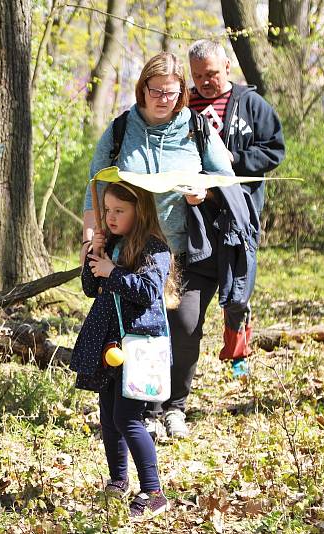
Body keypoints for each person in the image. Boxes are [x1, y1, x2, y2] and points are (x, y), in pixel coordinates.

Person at [81, 52, 237, 440]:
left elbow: (226, 175)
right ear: (143, 90)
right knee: (142, 329)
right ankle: (146, 407)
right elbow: (95, 185)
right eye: (157, 91)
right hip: (136, 249)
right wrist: (91, 239)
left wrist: (203, 189)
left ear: (181, 92)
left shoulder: (196, 127)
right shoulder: (121, 129)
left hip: (188, 247)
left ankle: (175, 407)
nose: (164, 98)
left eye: (172, 92)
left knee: (183, 327)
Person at [70, 180, 174, 520]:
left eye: (119, 211)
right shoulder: (111, 243)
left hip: (138, 342)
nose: (111, 218)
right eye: (108, 210)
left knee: (127, 417)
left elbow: (148, 291)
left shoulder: (153, 248)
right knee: (108, 416)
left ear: (139, 211)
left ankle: (154, 491)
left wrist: (113, 271)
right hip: (108, 343)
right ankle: (118, 479)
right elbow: (90, 288)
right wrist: (93, 257)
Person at [188, 40, 285, 377]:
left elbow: (275, 150)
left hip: (240, 212)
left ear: (227, 67)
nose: (204, 82)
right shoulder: (184, 104)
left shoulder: (251, 104)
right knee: (193, 291)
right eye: (198, 75)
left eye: (211, 74)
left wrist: (235, 159)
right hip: (196, 213)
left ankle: (237, 349)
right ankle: (185, 358)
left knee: (238, 290)